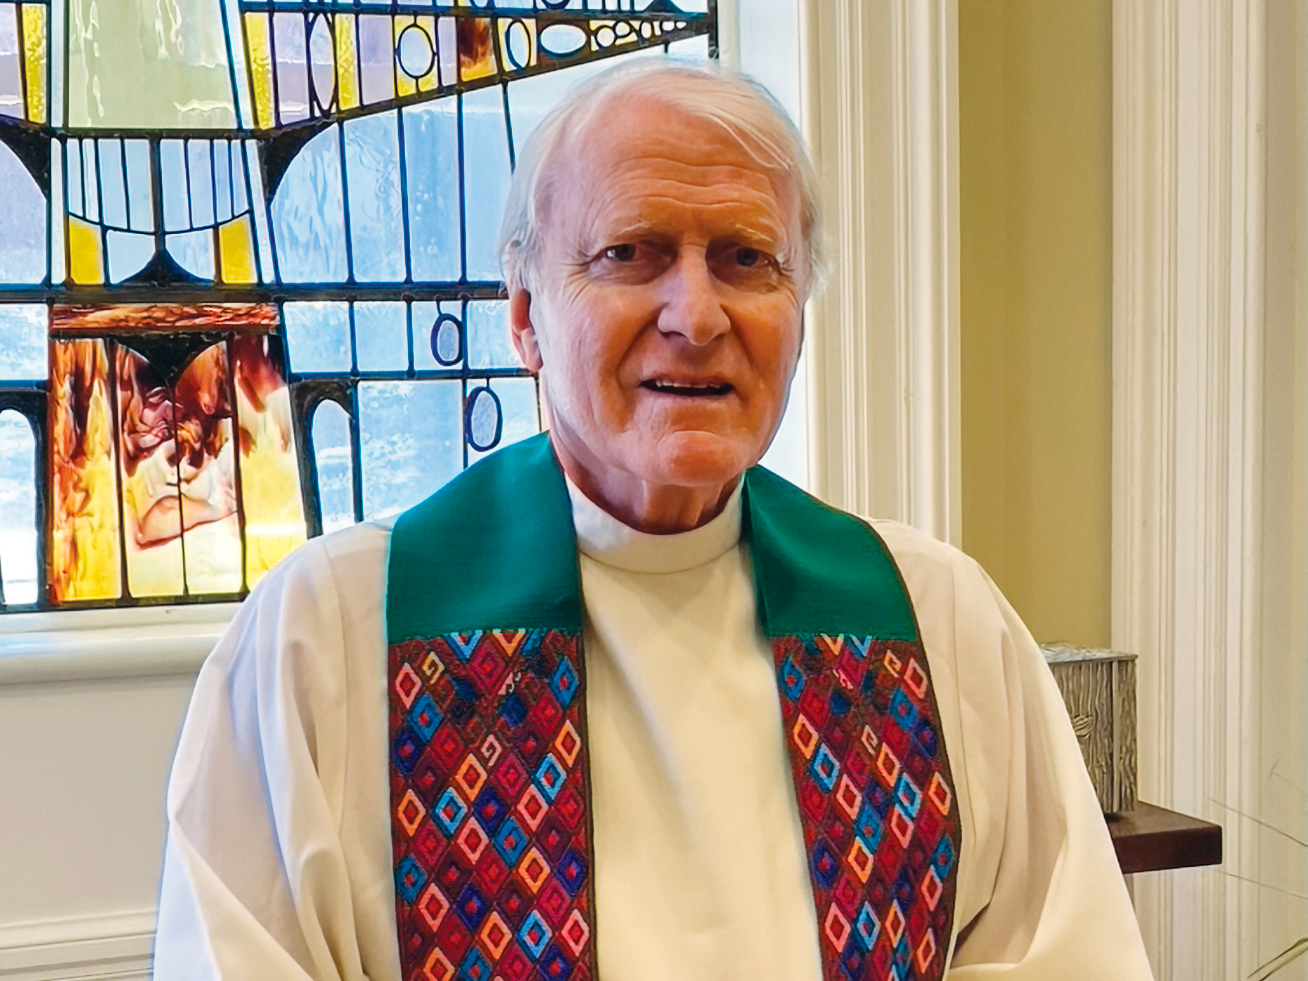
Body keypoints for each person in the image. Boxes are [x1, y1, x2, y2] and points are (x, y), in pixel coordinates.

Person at [153, 61, 1155, 981]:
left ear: (798, 312)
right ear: (524, 315)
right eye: (631, 254)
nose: (698, 314)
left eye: (746, 259)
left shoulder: (939, 623)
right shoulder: (326, 639)